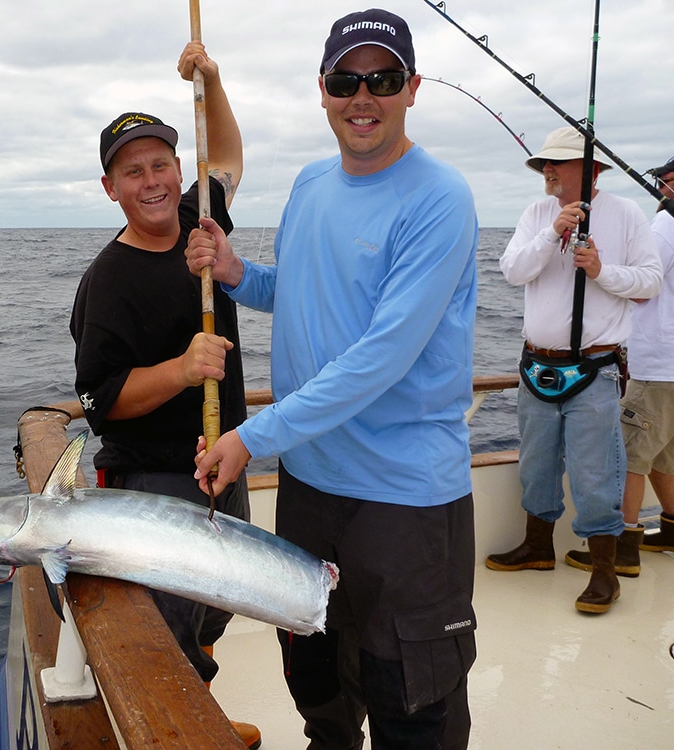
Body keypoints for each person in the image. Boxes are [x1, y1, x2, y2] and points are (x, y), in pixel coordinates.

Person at [186, 10, 479, 749]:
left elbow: (383, 355)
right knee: (316, 675)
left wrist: (253, 435)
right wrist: (235, 273)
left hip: (403, 501)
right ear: (322, 90)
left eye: (382, 79)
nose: (362, 96)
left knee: (411, 699)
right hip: (312, 486)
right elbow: (301, 290)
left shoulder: (440, 198)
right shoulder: (312, 183)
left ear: (411, 88)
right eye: (346, 79)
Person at [69, 41, 261, 748]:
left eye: (161, 165)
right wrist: (182, 370)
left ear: (180, 171)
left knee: (218, 604)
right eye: (132, 172)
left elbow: (231, 156)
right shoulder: (106, 283)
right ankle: (176, 732)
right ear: (110, 187)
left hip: (225, 458)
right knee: (170, 622)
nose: (151, 181)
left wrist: (213, 79)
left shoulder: (202, 224)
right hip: (155, 482)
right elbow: (97, 402)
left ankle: (199, 709)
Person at [487, 127, 662, 614]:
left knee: (594, 472)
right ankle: (537, 546)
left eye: (557, 163)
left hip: (596, 369)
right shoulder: (536, 214)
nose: (547, 170)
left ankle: (606, 571)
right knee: (536, 464)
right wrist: (553, 232)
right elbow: (513, 269)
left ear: (590, 171)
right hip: (536, 365)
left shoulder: (626, 214)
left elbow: (649, 282)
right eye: (544, 163)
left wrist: (602, 270)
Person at [565, 155, 674, 575]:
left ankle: (624, 546)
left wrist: (601, 271)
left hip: (657, 366)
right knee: (664, 455)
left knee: (629, 454)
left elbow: (645, 290)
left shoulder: (664, 227)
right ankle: (670, 525)